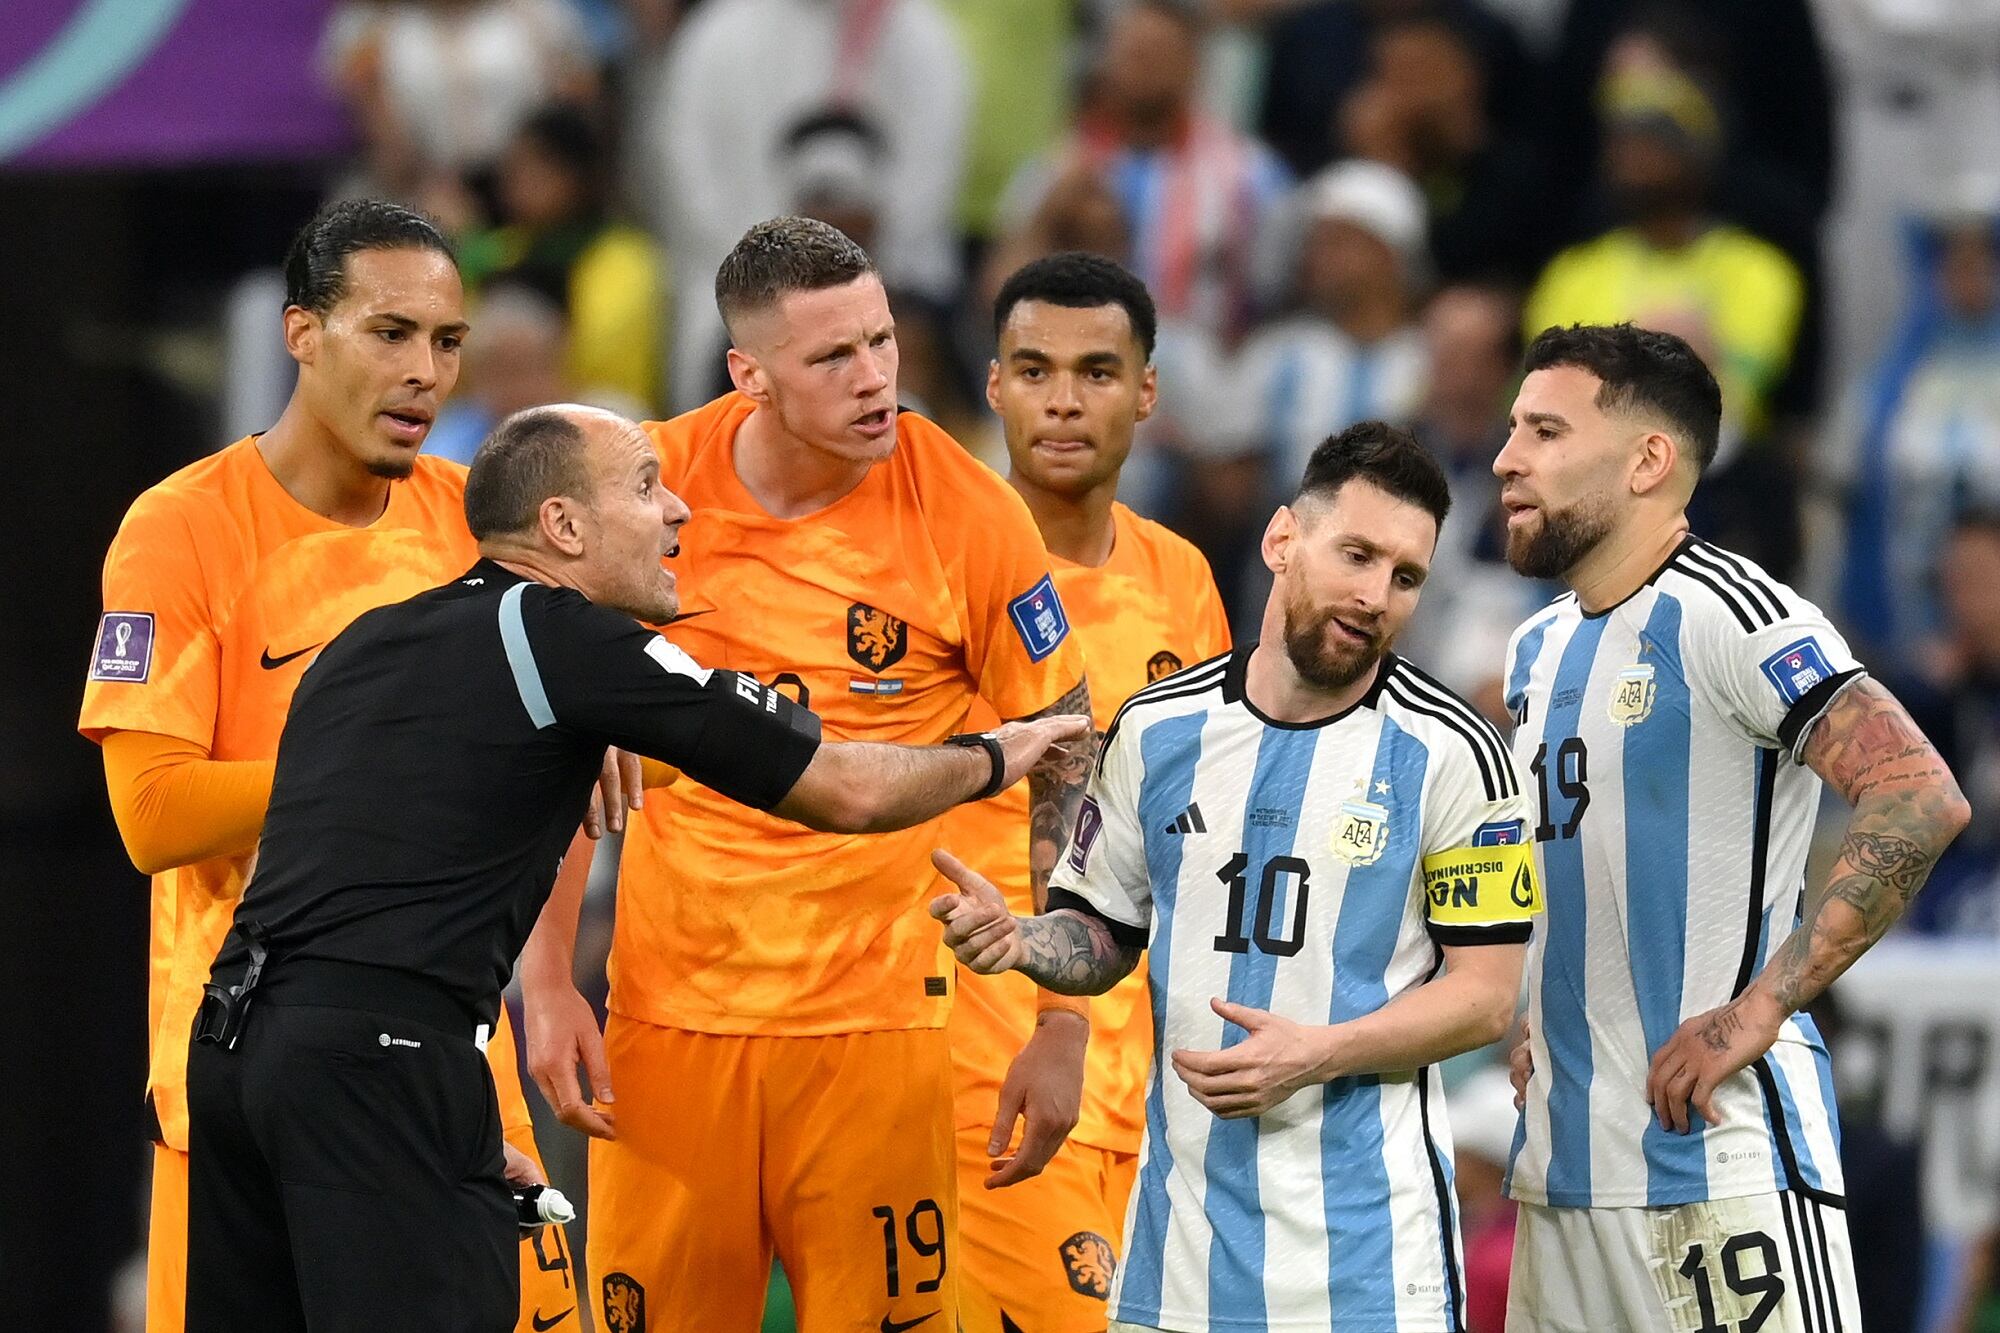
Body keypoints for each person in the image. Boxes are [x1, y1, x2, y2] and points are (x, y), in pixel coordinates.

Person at [182, 402, 1089, 1331]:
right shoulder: (565, 638)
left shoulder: (367, 642)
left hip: (236, 1053)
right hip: (382, 1062)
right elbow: (843, 789)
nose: (680, 511)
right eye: (646, 487)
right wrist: (993, 754)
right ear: (563, 527)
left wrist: (441, 1111)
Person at [519, 216, 1092, 1331]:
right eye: (833, 357)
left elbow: (1070, 759)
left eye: (880, 340)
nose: (877, 378)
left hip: (877, 1034)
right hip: (670, 1023)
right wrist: (545, 979)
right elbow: (554, 746)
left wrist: (1064, 1022)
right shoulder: (643, 494)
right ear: (749, 373)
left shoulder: (968, 513)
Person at [79, 199, 592, 1333]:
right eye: (390, 333)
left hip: (449, 1073)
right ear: (300, 333)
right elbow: (153, 816)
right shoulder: (183, 531)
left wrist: (550, 975)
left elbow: (577, 773)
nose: (424, 373)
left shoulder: (477, 528)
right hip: (247, 1085)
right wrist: (378, 776)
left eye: (446, 343)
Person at [934, 422, 1542, 1331]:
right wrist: (1023, 941)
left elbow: (1486, 998)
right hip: (1178, 1258)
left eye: (1406, 576)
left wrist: (1316, 1052)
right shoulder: (1155, 729)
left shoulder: (1458, 753)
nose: (1376, 595)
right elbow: (1101, 933)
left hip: (1371, 1263)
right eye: (1357, 554)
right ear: (1282, 539)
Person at [1494, 322, 1971, 1331]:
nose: (1505, 459)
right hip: (1562, 1176)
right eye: (1510, 429)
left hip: (1714, 1167)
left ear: (1646, 461)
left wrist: (1757, 1010)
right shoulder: (1533, 650)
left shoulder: (1730, 612)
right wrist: (1520, 1001)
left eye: (1542, 430)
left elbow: (1918, 793)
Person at [947, 253, 1232, 1331]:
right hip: (989, 1069)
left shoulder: (1180, 580)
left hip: (1149, 1093)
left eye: (1096, 371)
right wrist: (1056, 1026)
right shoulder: (944, 567)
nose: (1063, 398)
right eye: (1034, 369)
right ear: (994, 385)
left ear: (1146, 391)